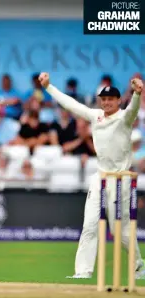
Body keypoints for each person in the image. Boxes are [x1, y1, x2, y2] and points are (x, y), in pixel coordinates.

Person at [38, 72, 145, 279]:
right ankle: (83, 271)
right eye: (103, 99)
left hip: (120, 179)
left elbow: (132, 110)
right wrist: (49, 87)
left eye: (110, 99)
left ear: (118, 100)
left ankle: (138, 265)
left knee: (118, 230)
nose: (106, 103)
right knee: (89, 225)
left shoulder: (124, 117)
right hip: (100, 177)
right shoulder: (95, 116)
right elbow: (71, 104)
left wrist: (137, 94)